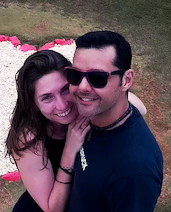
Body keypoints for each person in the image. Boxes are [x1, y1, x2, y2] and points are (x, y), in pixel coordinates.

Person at [6, 50, 147, 212]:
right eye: (47, 97)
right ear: (33, 105)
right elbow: (52, 209)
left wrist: (101, 97)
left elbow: (140, 109)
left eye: (65, 89)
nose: (62, 105)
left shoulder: (84, 108)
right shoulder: (29, 137)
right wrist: (69, 150)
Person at [66, 31, 163, 212]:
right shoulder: (96, 116)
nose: (82, 87)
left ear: (126, 81)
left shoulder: (134, 173)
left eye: (98, 78)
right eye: (75, 75)